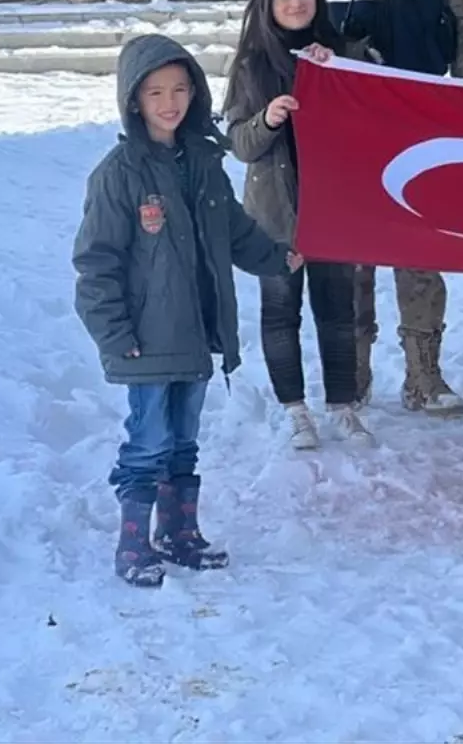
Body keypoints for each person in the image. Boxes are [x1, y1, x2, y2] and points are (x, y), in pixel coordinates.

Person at [74, 35, 300, 589]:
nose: (169, 102)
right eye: (155, 92)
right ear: (133, 100)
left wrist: (278, 257)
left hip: (197, 333)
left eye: (179, 89)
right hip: (146, 340)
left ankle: (181, 532)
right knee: (147, 442)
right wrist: (114, 333)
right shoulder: (119, 174)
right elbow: (95, 262)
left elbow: (237, 232)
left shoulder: (204, 161)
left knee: (183, 442)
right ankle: (135, 541)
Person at [296, 0, 463, 418]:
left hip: (422, 116)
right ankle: (352, 371)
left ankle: (424, 373)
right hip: (348, 121)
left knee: (421, 244)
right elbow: (292, 12)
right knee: (353, 247)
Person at [224, 0, 374, 451]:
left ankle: (344, 407)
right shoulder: (251, 64)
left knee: (338, 313)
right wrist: (267, 118)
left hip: (333, 208)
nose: (295, 2)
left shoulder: (345, 53)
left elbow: (376, 118)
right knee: (280, 313)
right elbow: (240, 144)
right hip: (275, 215)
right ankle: (295, 411)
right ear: (267, 4)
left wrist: (346, 73)